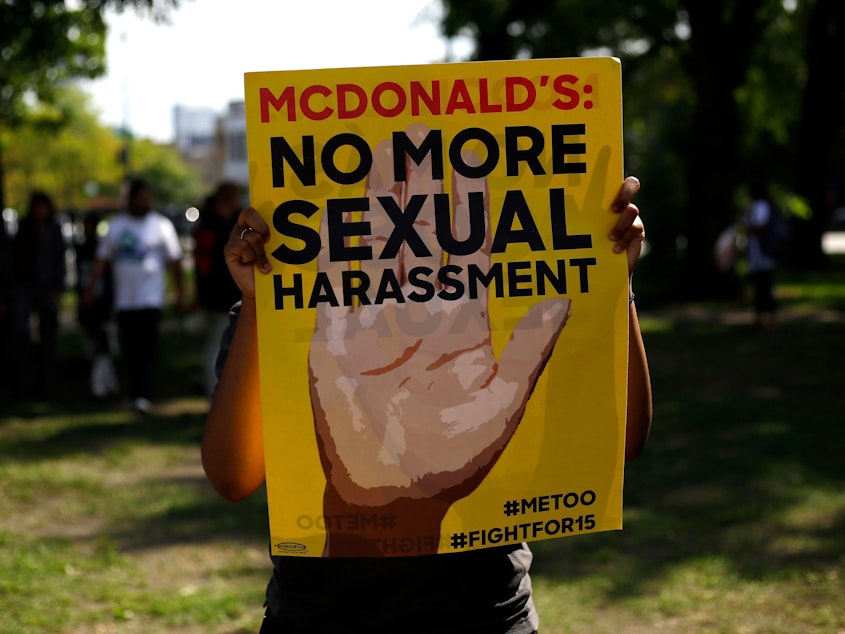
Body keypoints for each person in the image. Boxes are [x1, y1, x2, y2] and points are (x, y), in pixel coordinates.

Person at [202, 176, 652, 633]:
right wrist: (257, 302)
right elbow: (232, 476)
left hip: (487, 616)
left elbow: (627, 442)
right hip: (315, 617)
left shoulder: (512, 292)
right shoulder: (282, 301)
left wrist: (614, 282)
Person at [83, 178, 184, 413]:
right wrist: (90, 290)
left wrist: (179, 291)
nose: (145, 202)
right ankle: (134, 391)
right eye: (141, 198)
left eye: (148, 198)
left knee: (147, 347)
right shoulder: (116, 227)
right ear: (130, 200)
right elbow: (101, 261)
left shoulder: (161, 225)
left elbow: (175, 261)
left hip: (151, 298)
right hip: (125, 299)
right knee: (129, 347)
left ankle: (143, 392)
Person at [11, 191, 66, 396]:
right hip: (26, 286)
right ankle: (25, 381)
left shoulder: (53, 230)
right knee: (21, 333)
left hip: (47, 287)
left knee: (48, 336)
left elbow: (59, 261)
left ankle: (47, 382)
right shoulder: (25, 228)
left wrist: (58, 288)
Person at [193, 181, 243, 397]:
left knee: (221, 344)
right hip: (219, 295)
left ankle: (220, 392)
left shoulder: (212, 222)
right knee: (218, 344)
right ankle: (215, 393)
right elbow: (205, 262)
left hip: (219, 293)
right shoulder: (215, 224)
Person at [76, 212, 120, 399]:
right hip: (90, 307)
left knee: (106, 346)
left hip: (104, 305)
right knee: (97, 347)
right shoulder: (82, 250)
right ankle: (101, 385)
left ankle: (105, 384)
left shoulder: (103, 250)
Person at [743, 181, 778, 331]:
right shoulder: (759, 206)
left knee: (764, 289)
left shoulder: (761, 206)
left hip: (762, 255)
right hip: (758, 256)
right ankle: (760, 321)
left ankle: (770, 323)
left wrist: (745, 225)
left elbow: (759, 226)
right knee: (760, 289)